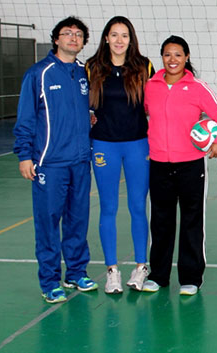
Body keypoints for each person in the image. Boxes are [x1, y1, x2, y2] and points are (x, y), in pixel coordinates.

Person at [13, 16, 96, 303]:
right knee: (48, 223)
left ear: (84, 41)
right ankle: (49, 281)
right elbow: (25, 118)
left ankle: (75, 272)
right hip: (50, 163)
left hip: (80, 161)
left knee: (77, 219)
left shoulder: (86, 72)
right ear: (56, 39)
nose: (73, 38)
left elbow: (92, 111)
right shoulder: (39, 73)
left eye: (78, 34)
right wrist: (25, 155)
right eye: (67, 33)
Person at [142, 35, 217, 296]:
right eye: (168, 55)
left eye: (178, 55)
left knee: (192, 221)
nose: (173, 60)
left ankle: (191, 277)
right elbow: (143, 113)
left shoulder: (197, 87)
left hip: (191, 165)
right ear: (162, 58)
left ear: (187, 57)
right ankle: (158, 275)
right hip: (158, 164)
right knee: (160, 222)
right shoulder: (151, 86)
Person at [85, 16, 154, 294]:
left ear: (131, 39)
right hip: (104, 145)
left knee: (138, 206)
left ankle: (141, 266)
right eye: (114, 35)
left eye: (124, 35)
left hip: (138, 144)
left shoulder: (143, 66)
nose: (119, 40)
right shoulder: (92, 67)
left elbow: (155, 101)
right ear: (106, 38)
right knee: (108, 207)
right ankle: (112, 270)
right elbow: (81, 101)